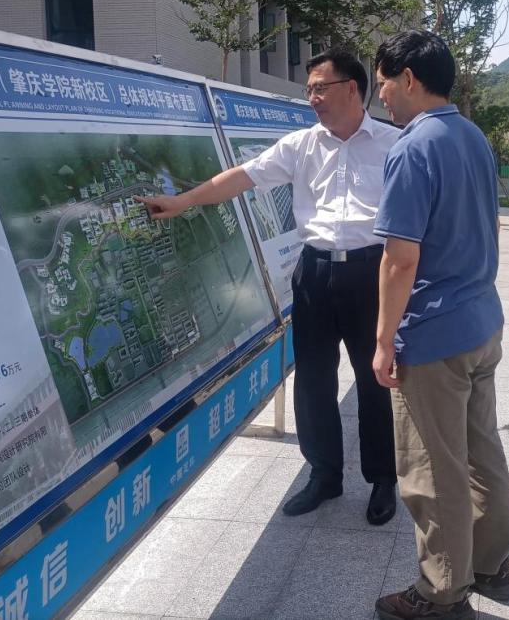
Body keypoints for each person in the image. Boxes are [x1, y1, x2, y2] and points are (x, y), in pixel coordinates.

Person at [135, 47, 399, 525]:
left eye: (320, 88)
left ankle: (383, 479)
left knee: (373, 378)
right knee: (313, 379)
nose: (312, 97)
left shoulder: (393, 144)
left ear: (351, 89)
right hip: (315, 271)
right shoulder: (300, 145)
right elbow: (242, 177)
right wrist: (184, 201)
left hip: (371, 272)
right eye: (309, 89)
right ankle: (324, 475)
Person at [370, 30, 509, 620]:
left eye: (383, 82)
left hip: (433, 333)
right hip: (481, 320)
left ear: (408, 78)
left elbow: (400, 259)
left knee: (432, 467)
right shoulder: (471, 135)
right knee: (481, 451)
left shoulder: (412, 147)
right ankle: (491, 565)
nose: (381, 95)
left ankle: (442, 592)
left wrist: (384, 340)